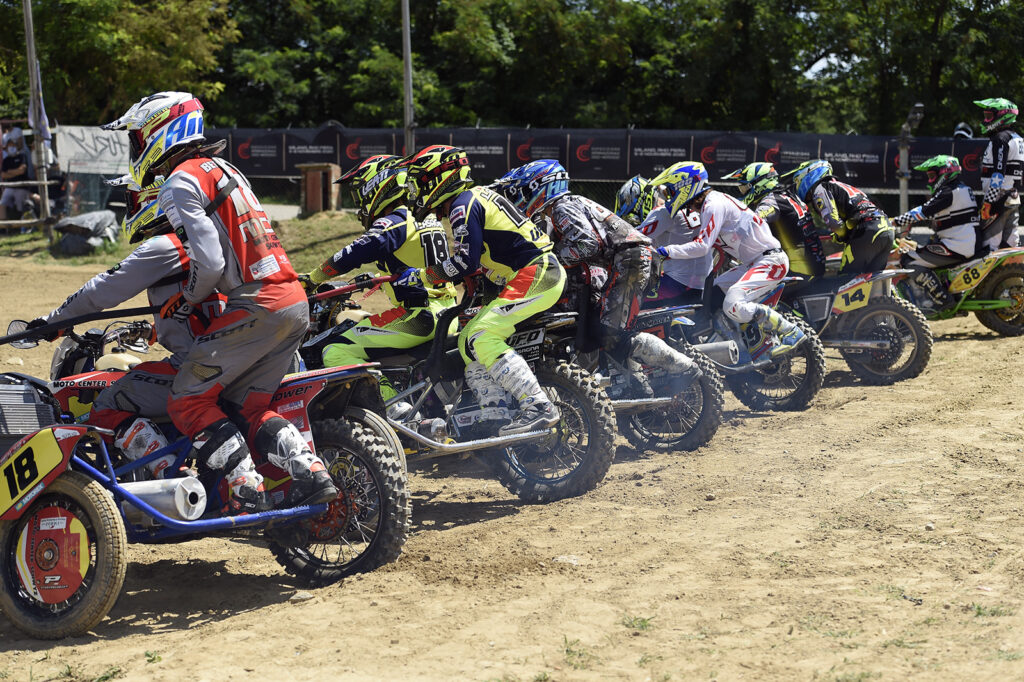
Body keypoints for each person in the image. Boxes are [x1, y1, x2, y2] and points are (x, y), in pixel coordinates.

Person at [102, 91, 336, 514]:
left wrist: (187, 298)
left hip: (256, 302)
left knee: (186, 400)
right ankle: (311, 470)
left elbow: (209, 263)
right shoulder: (228, 170)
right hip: (291, 298)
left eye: (139, 137)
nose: (137, 147)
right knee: (250, 408)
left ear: (160, 131)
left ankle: (244, 486)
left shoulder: (180, 180)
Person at [28, 173, 228, 481]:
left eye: (132, 200)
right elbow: (205, 307)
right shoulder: (210, 241)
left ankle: (171, 478)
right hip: (233, 354)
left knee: (107, 404)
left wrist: (52, 322)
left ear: (150, 200)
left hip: (199, 366)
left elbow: (102, 289)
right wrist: (154, 330)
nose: (130, 209)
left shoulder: (167, 245)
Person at [399, 144, 563, 435]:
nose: (418, 192)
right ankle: (494, 411)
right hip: (534, 273)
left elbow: (465, 261)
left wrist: (421, 277)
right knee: (466, 341)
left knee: (480, 335)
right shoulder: (475, 197)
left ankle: (538, 405)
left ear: (440, 179)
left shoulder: (462, 204)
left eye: (421, 184)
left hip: (535, 273)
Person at [512, 160, 702, 392]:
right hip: (631, 258)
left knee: (611, 334)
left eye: (527, 190)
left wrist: (552, 260)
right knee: (609, 333)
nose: (524, 196)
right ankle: (638, 387)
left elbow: (587, 244)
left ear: (543, 186)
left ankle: (683, 366)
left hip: (630, 258)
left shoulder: (561, 207)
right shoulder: (569, 203)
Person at [300, 155, 457, 406]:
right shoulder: (426, 218)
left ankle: (391, 409)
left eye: (359, 194)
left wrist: (312, 279)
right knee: (363, 324)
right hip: (448, 312)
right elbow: (414, 264)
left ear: (377, 186)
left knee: (337, 349)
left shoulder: (396, 220)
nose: (359, 203)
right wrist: (376, 279)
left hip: (420, 317)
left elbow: (354, 253)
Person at [646, 161, 806, 357]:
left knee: (733, 304)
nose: (670, 196)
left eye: (672, 190)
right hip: (755, 262)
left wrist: (666, 251)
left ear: (685, 187)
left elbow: (702, 246)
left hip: (770, 261)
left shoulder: (713, 204)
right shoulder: (710, 204)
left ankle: (790, 331)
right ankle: (741, 345)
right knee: (714, 294)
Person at [891, 155, 980, 312]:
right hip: (962, 242)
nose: (930, 180)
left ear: (945, 173)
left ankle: (943, 299)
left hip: (958, 245)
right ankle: (953, 292)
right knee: (924, 246)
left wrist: (893, 222)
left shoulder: (949, 192)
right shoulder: (961, 189)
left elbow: (923, 211)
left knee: (909, 260)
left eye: (932, 176)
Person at [617, 175, 714, 304]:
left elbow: (630, 240)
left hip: (679, 285)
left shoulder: (663, 212)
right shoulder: (688, 209)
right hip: (701, 284)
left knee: (621, 299)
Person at [788, 159, 896, 275]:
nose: (797, 185)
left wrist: (842, 235)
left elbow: (833, 222)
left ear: (809, 174)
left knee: (846, 278)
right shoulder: (844, 187)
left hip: (867, 230)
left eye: (797, 180)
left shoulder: (820, 188)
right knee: (873, 280)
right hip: (886, 229)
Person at [723, 162, 826, 280]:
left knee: (731, 284)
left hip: (797, 272)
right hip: (813, 265)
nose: (742, 192)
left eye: (744, 187)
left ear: (757, 184)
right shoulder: (788, 196)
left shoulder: (771, 202)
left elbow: (752, 224)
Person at [974, 97, 1023, 250]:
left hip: (997, 199)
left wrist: (988, 202)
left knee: (990, 246)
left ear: (1002, 116)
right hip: (1013, 196)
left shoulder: (1000, 139)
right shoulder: (1018, 139)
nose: (986, 120)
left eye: (989, 116)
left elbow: (998, 173)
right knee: (1011, 245)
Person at [0, 127, 31, 221]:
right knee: (2, 203)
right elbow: (3, 175)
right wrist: (16, 172)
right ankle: (3, 224)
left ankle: (23, 224)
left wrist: (10, 172)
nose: (11, 147)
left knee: (20, 206)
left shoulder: (22, 156)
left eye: (13, 145)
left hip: (21, 186)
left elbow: (22, 170)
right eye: (9, 146)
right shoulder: (6, 160)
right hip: (10, 186)